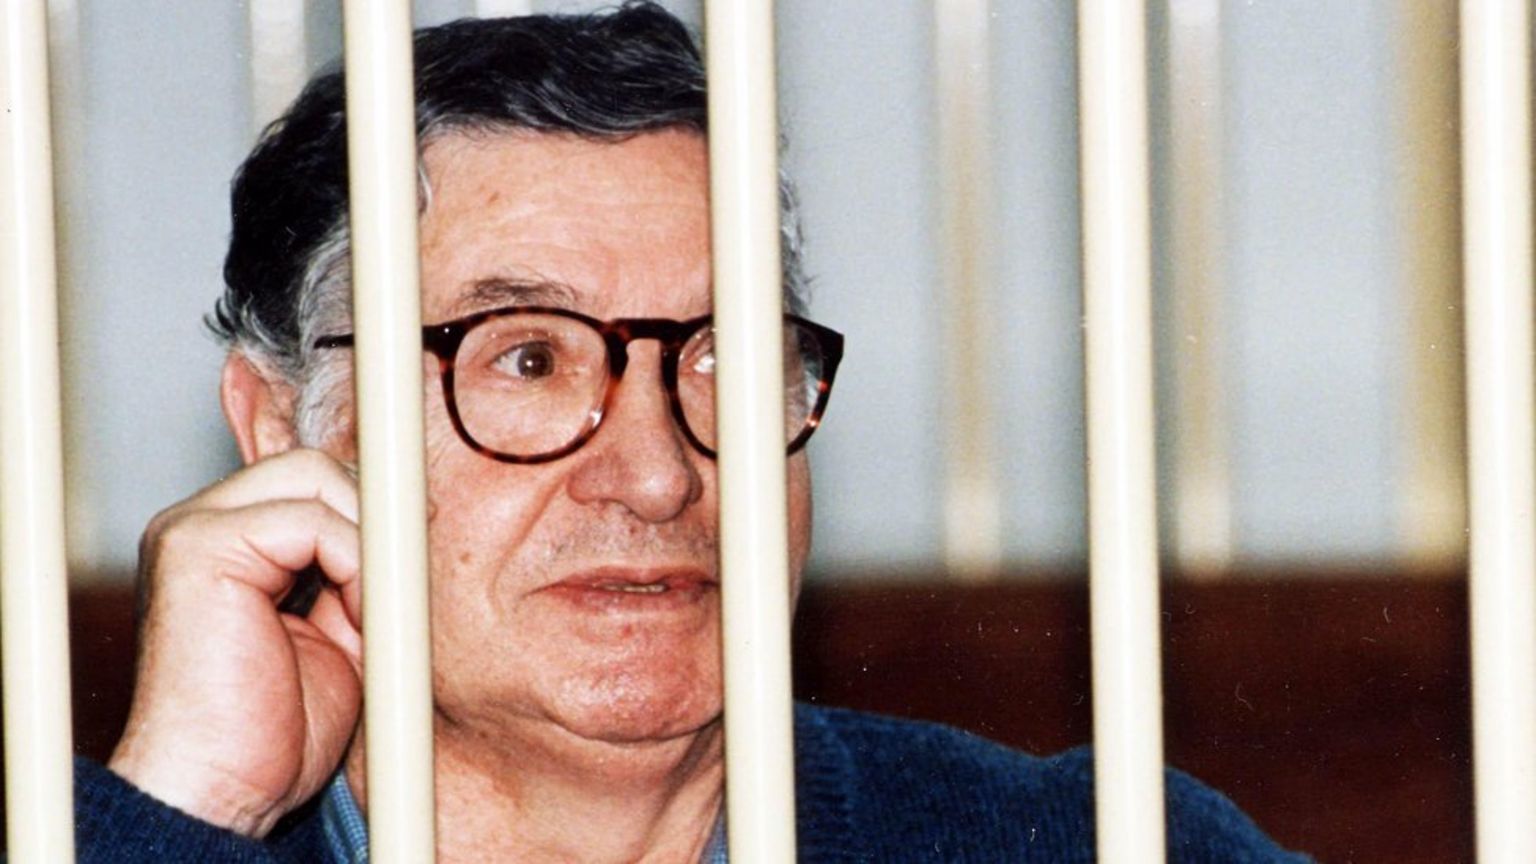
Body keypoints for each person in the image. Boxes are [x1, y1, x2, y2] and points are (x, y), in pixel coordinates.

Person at [70, 4, 1308, 862]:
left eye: (725, 359)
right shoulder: (125, 833)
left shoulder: (1090, 844)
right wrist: (188, 813)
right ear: (283, 428)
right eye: (529, 358)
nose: (658, 475)